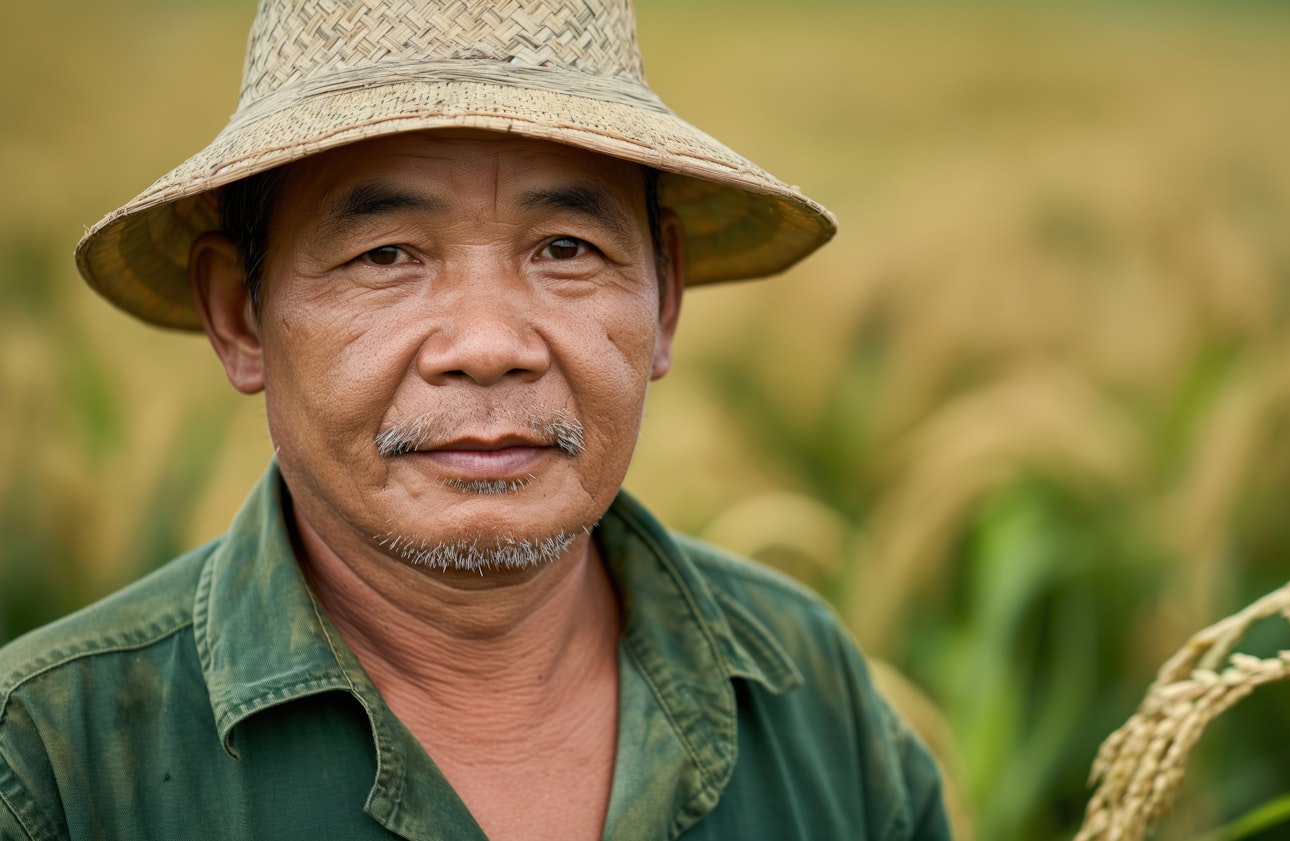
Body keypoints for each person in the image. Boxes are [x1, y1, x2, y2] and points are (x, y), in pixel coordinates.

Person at [0, 1, 951, 839]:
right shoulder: (52, 766)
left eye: (566, 248)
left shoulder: (813, 697)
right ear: (240, 315)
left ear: (664, 298)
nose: (490, 343)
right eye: (385, 255)